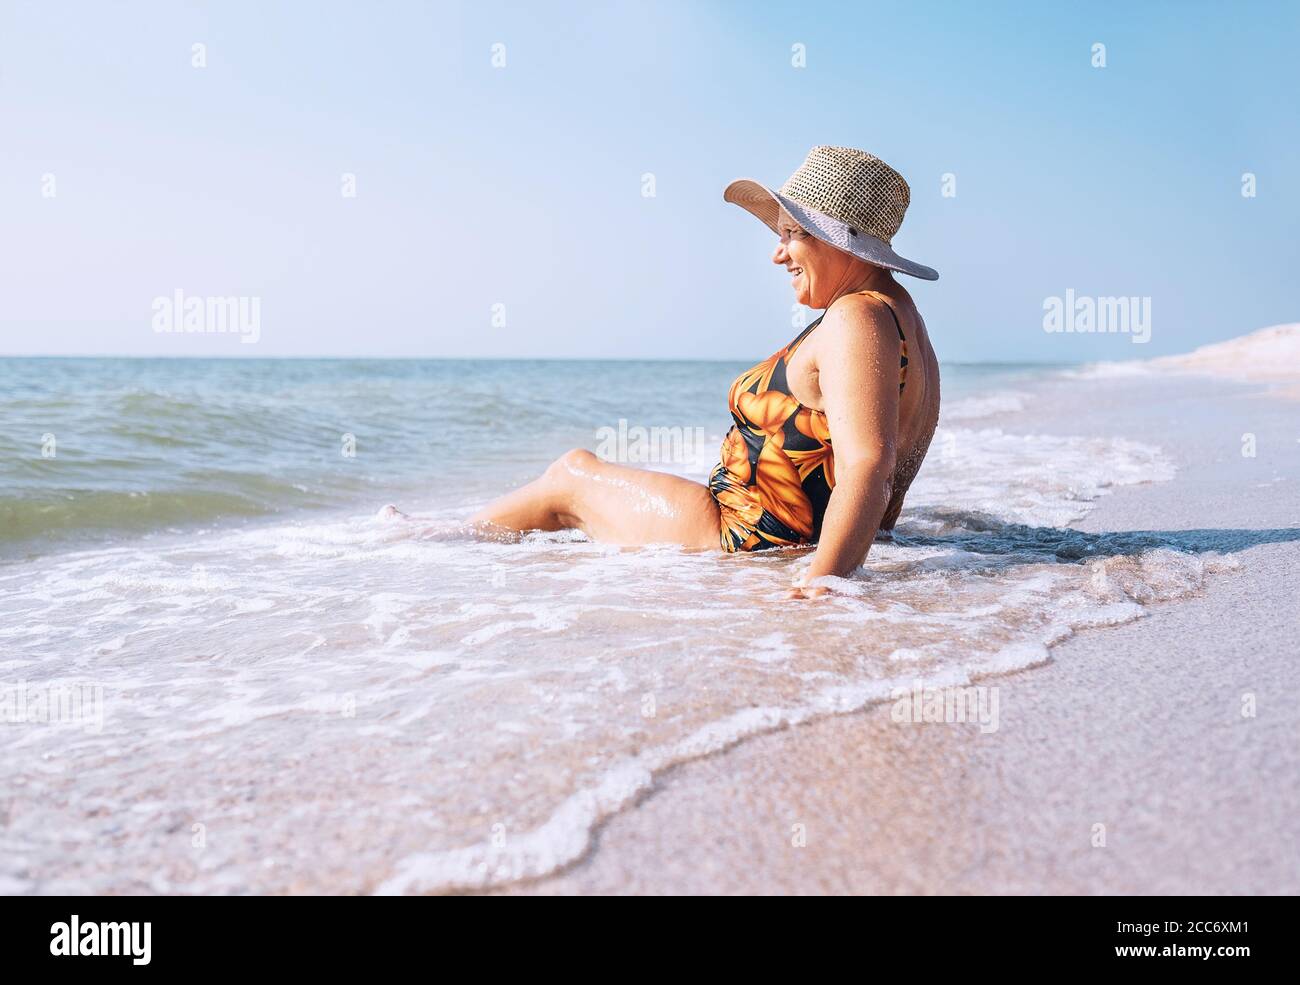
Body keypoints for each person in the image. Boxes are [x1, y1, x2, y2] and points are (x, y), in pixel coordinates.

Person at [470, 146, 940, 597]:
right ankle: (435, 539)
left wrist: (825, 580)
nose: (779, 255)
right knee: (572, 477)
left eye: (792, 234)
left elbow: (868, 464)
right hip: (785, 540)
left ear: (844, 241)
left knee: (571, 476)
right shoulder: (903, 321)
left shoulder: (856, 318)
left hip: (740, 540)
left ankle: (432, 541)